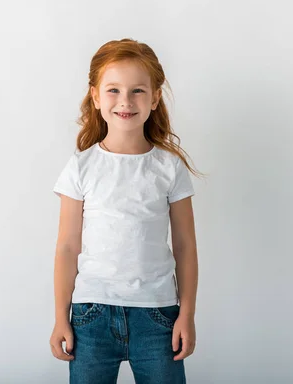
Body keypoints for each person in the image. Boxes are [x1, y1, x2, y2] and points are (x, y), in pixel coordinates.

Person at [49, 38, 202, 384]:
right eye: (114, 90)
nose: (125, 102)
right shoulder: (81, 168)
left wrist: (187, 314)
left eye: (137, 91)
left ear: (155, 97)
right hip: (91, 317)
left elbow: (185, 246)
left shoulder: (169, 168)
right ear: (96, 95)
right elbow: (67, 248)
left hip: (158, 317)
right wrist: (61, 316)